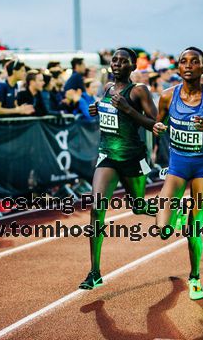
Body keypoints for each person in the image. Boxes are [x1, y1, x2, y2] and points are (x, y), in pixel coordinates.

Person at [153, 47, 203, 299]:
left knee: (193, 228)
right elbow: (158, 126)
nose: (188, 65)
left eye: (194, 61)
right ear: (178, 68)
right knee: (163, 228)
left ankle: (195, 277)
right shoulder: (167, 97)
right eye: (183, 61)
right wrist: (158, 131)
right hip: (177, 165)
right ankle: (173, 216)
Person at [78, 47, 158, 290]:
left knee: (138, 207)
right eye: (115, 60)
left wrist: (128, 109)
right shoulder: (107, 89)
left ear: (132, 67)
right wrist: (97, 110)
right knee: (96, 208)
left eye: (124, 61)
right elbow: (109, 116)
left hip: (132, 157)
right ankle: (95, 272)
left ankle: (164, 215)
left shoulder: (139, 90)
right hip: (108, 156)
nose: (117, 64)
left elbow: (154, 124)